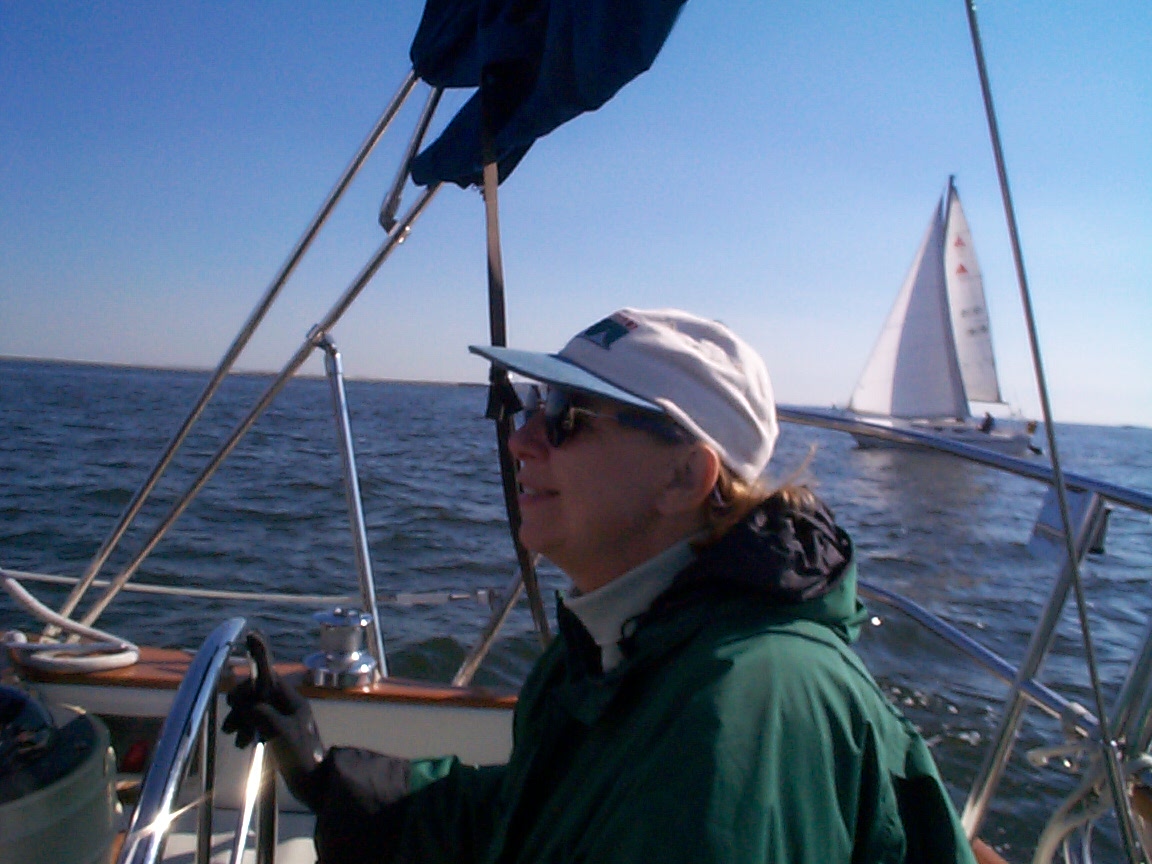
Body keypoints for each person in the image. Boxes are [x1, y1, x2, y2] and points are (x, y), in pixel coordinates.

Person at [224, 308, 977, 863]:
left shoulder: (740, 712)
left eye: (567, 415)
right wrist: (330, 779)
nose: (520, 438)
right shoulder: (619, 646)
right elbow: (530, 819)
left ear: (684, 477)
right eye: (533, 403)